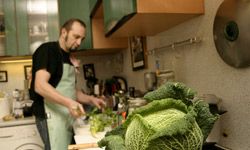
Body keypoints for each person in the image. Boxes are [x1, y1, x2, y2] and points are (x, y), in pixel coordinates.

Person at [29, 18, 106, 150]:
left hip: (65, 117)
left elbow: (69, 90)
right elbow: (40, 86)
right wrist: (70, 103)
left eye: (82, 38)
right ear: (64, 32)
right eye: (76, 37)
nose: (79, 42)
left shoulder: (69, 58)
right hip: (50, 117)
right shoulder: (47, 50)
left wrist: (91, 100)